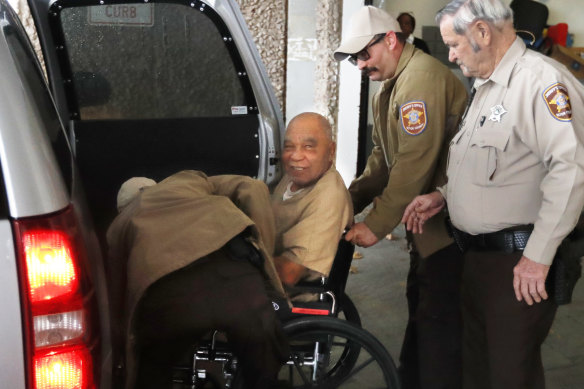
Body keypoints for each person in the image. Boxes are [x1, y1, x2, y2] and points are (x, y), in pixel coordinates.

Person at [402, 1, 584, 388]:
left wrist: (537, 258)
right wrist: (445, 196)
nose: (449, 54)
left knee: (507, 374)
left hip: (518, 265)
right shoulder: (486, 85)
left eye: (454, 44)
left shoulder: (540, 83)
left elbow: (571, 172)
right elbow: (491, 164)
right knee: (478, 370)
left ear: (482, 33)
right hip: (478, 260)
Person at [333, 6, 468, 389]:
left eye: (364, 54)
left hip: (449, 229)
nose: (360, 64)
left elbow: (413, 162)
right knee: (423, 313)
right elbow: (382, 159)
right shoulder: (391, 85)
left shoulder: (420, 80)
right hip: (425, 227)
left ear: (390, 39)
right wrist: (345, 202)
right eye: (355, 57)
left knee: (438, 322)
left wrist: (375, 225)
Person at [271, 112, 353, 294]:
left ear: (331, 151)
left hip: (289, 298)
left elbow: (289, 273)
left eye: (308, 147)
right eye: (289, 147)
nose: (296, 156)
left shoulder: (328, 198)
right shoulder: (295, 177)